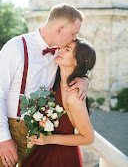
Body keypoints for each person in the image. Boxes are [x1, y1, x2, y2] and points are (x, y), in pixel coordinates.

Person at [0, 3, 89, 167]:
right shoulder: (16, 47)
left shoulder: (60, 53)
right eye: (73, 33)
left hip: (40, 135)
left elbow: (80, 59)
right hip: (11, 128)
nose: (75, 38)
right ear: (60, 29)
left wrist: (85, 79)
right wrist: (4, 139)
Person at [22, 38, 96, 167]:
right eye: (63, 47)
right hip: (41, 150)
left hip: (59, 156)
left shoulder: (74, 96)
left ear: (76, 61)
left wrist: (48, 139)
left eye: (67, 49)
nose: (60, 50)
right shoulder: (54, 80)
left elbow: (88, 137)